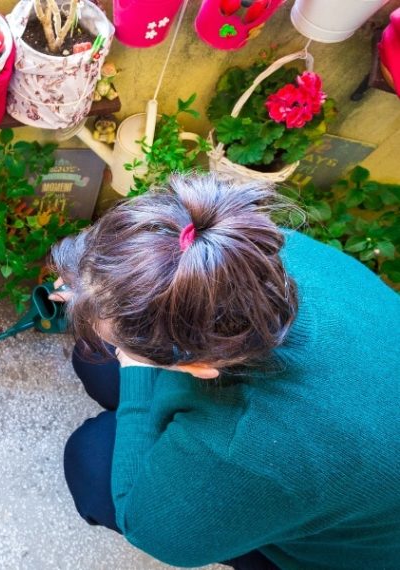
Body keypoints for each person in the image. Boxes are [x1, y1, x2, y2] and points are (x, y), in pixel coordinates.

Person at [49, 174, 400, 570]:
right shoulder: (244, 249)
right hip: (359, 427)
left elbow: (153, 530)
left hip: (348, 551)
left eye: (131, 348)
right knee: (93, 358)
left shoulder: (246, 451)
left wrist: (134, 367)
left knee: (92, 460)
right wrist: (96, 286)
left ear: (199, 367)